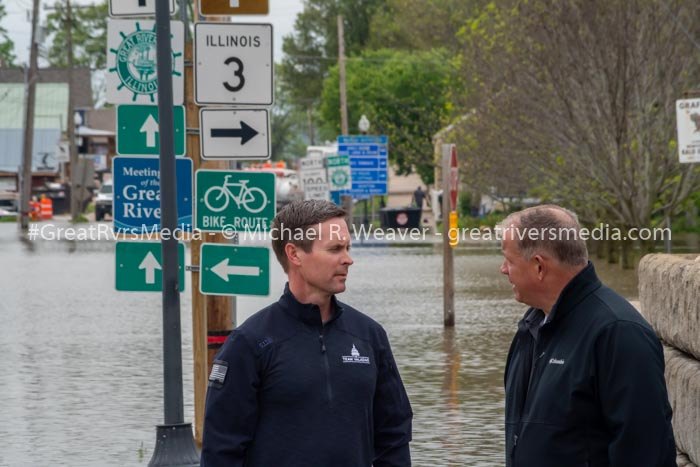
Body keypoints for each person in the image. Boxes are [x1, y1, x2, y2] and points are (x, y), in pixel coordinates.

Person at [201, 199, 413, 467]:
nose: (348, 259)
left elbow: (393, 436)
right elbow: (221, 451)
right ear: (295, 254)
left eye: (347, 247)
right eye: (335, 249)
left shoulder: (370, 336)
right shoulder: (250, 342)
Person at [499, 205, 676, 467]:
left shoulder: (619, 333)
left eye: (509, 261)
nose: (503, 269)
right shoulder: (530, 329)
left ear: (539, 267)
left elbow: (646, 452)